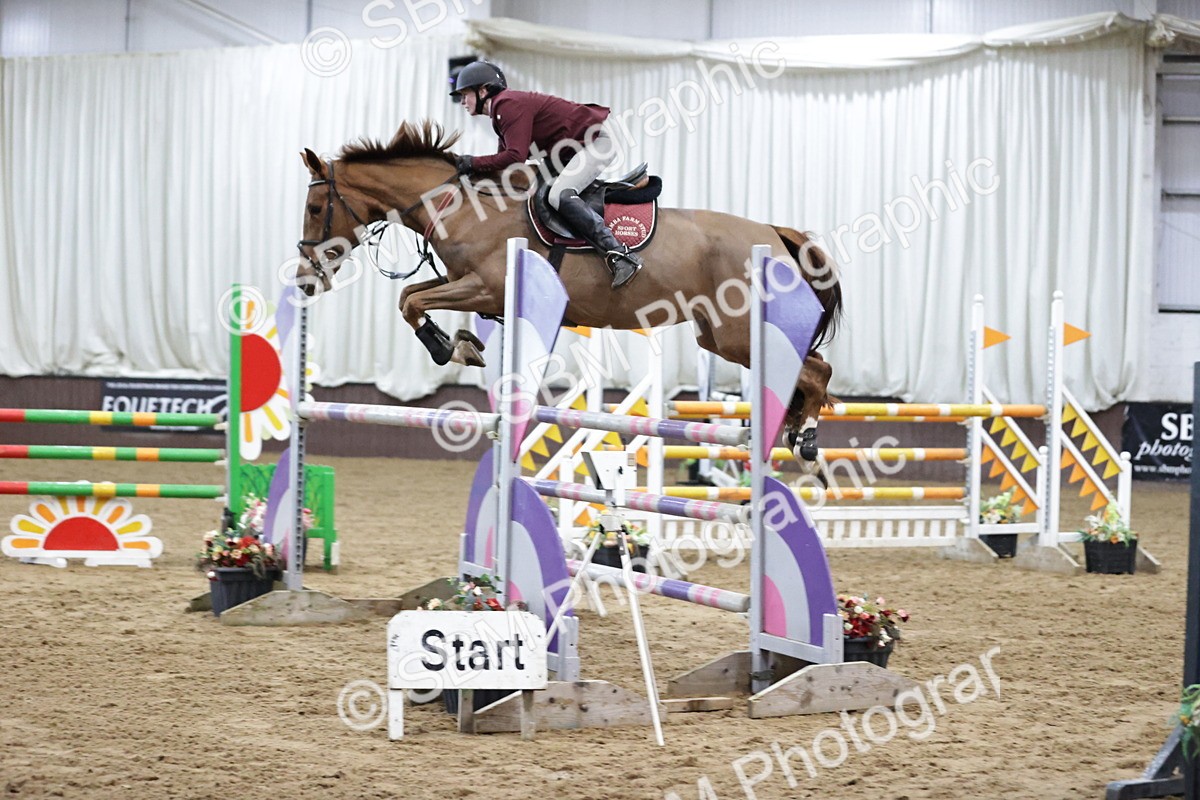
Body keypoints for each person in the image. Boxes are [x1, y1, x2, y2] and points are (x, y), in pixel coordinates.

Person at [448, 60, 642, 289]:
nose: (462, 101)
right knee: (532, 193)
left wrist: (470, 162)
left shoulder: (506, 105)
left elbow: (514, 157)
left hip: (596, 140)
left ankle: (620, 254)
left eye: (465, 94)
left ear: (483, 91)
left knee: (558, 195)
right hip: (567, 150)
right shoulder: (501, 112)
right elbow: (505, 168)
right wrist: (469, 175)